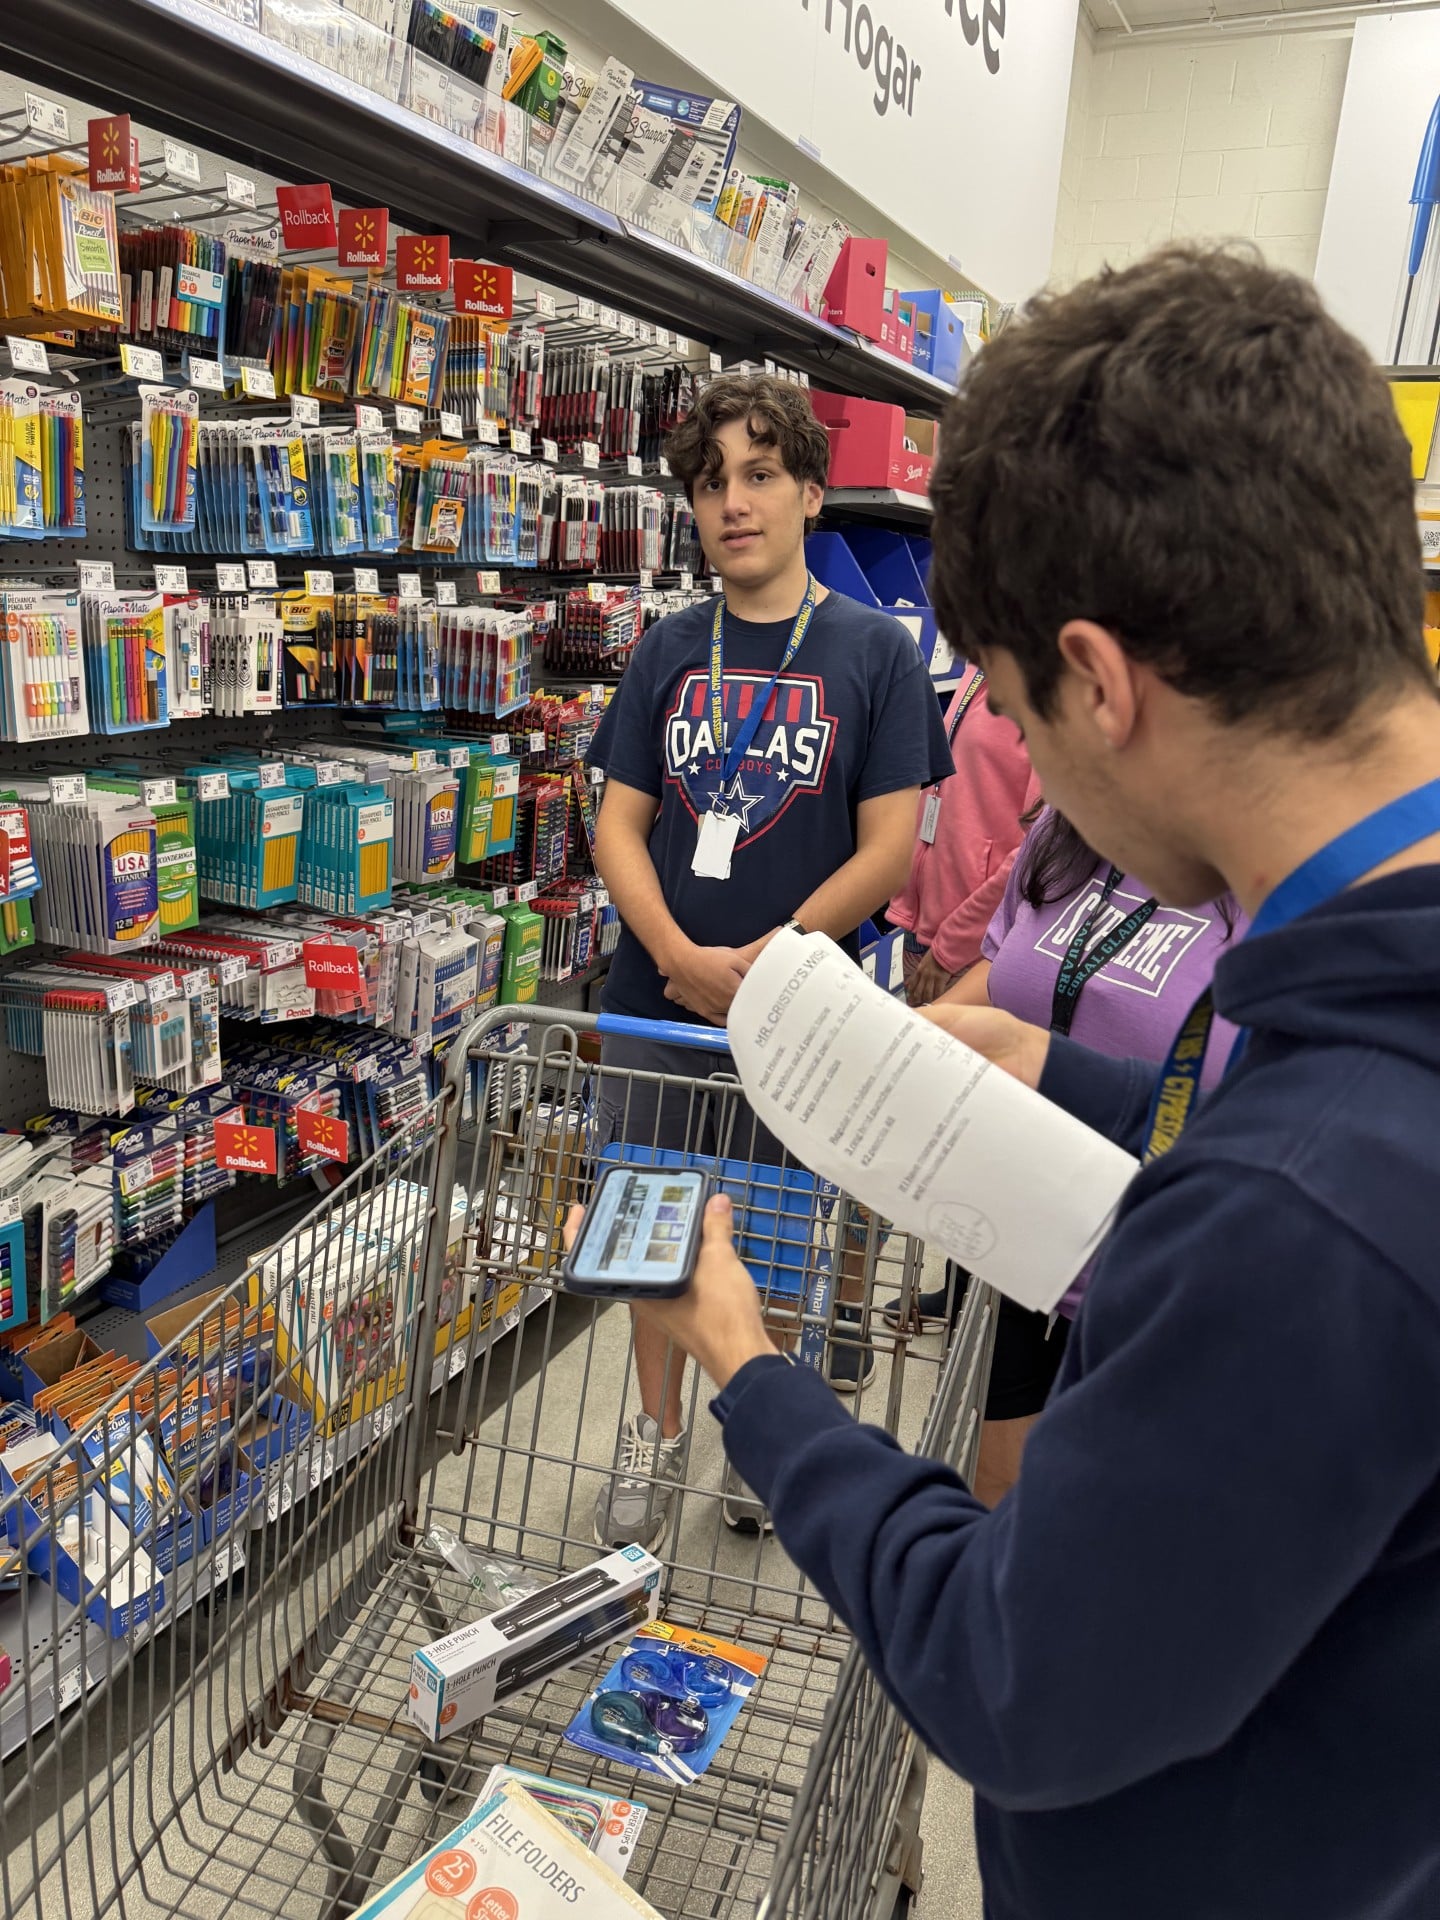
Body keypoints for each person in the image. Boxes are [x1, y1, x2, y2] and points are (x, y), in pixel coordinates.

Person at [568, 246, 1440, 1919]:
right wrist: (1070, 1072)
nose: (1028, 778)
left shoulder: (1315, 1203)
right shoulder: (1347, 1026)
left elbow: (1010, 1671)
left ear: (1102, 685)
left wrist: (750, 1365)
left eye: (1023, 726)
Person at [585, 371, 952, 1552]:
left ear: (809, 492)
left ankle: (761, 1434)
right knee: (651, 1232)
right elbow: (619, 823)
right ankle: (655, 1430)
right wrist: (676, 954)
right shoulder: (666, 649)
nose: (734, 503)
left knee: (780, 1239)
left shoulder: (874, 653)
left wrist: (774, 960)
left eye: (759, 475)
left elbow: (889, 849)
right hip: (658, 1004)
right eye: (710, 484)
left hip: (800, 1014)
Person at [915, 805, 1244, 1502]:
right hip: (1011, 1235)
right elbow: (1004, 973)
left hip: (1165, 1275)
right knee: (1001, 1502)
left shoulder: (1299, 874)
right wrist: (894, 1040)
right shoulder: (1064, 831)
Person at [887, 663, 1039, 1011]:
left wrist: (952, 946)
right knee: (915, 1040)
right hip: (924, 924)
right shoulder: (980, 670)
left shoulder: (1046, 691)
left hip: (972, 945)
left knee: (947, 1042)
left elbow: (1035, 849)